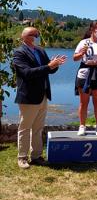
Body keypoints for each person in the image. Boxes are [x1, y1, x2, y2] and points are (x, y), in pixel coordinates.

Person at [13, 27, 67, 169]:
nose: (38, 36)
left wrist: (56, 64)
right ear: (26, 37)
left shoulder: (40, 51)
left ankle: (36, 156)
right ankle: (22, 158)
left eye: (38, 33)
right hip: (29, 96)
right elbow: (27, 73)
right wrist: (49, 66)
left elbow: (48, 69)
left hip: (43, 94)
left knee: (38, 128)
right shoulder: (19, 52)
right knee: (25, 128)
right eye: (35, 34)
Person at [73, 21, 97, 136]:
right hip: (84, 73)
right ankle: (82, 126)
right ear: (92, 30)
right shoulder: (83, 42)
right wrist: (81, 53)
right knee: (83, 102)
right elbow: (75, 58)